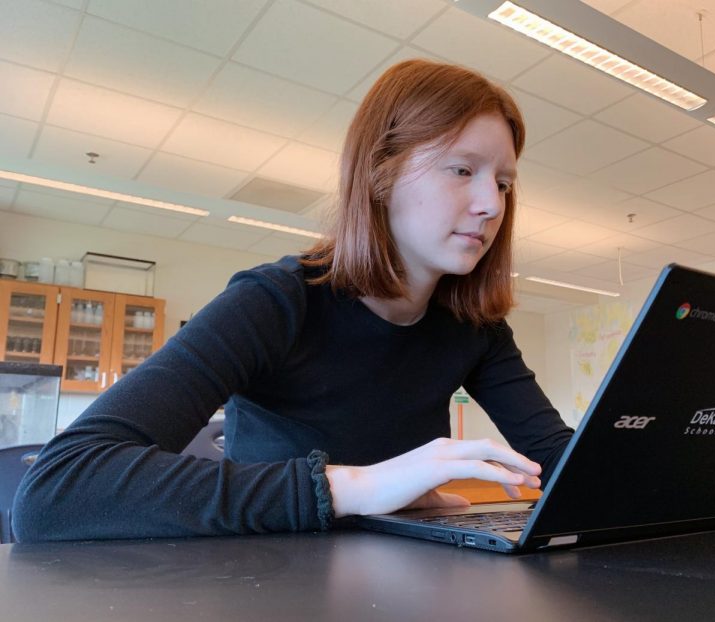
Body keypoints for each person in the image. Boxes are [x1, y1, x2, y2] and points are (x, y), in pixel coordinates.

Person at [12, 60, 574, 542]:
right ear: (380, 173)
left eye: (502, 183)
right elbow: (56, 490)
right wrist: (358, 486)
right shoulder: (276, 301)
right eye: (462, 170)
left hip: (401, 582)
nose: (491, 205)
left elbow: (565, 458)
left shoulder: (474, 326)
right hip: (272, 580)